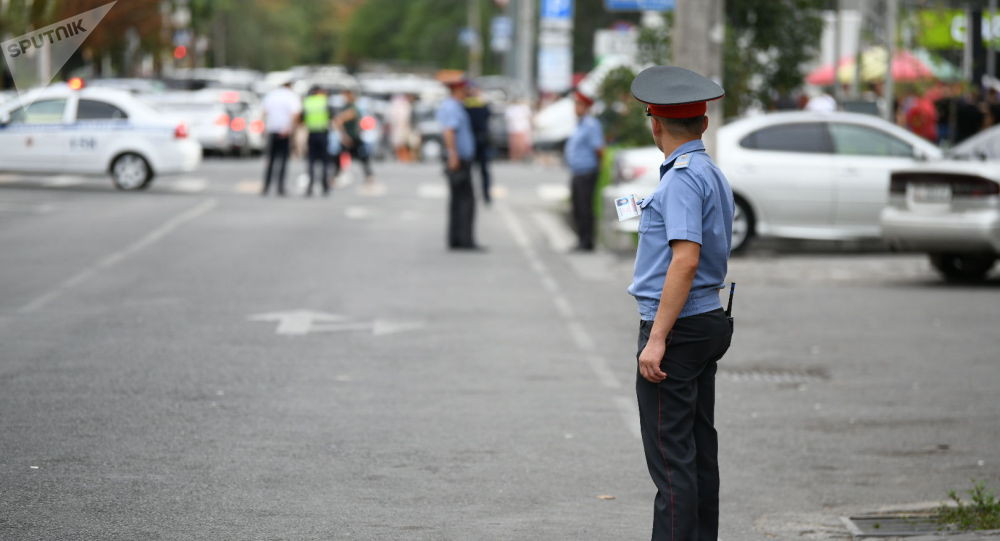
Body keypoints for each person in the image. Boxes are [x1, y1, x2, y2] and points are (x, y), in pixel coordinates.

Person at [628, 65, 735, 541]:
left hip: (680, 328)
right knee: (695, 450)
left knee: (671, 462)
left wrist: (656, 340)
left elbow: (685, 261)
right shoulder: (708, 171)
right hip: (705, 319)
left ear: (655, 123)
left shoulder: (683, 180)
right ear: (703, 123)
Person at [437, 77, 480, 250]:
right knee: (465, 200)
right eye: (464, 90)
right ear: (457, 90)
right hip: (459, 159)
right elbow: (449, 132)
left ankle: (457, 238)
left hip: (460, 158)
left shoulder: (454, 106)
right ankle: (464, 239)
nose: (467, 93)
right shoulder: (452, 106)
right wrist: (453, 155)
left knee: (458, 199)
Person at [564, 88, 604, 252]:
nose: (575, 107)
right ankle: (581, 238)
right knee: (577, 207)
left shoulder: (591, 124)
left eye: (578, 104)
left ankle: (587, 241)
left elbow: (599, 149)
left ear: (585, 106)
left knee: (585, 207)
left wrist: (596, 168)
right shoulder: (579, 124)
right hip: (577, 171)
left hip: (587, 172)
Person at [261, 78, 301, 196]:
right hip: (284, 131)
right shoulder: (291, 96)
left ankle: (266, 186)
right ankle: (280, 187)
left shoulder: (271, 95)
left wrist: (265, 128)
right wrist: (291, 129)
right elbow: (295, 114)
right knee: (283, 161)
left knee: (271, 160)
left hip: (272, 130)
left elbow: (264, 112)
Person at [332, 88, 375, 188]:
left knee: (362, 157)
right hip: (349, 137)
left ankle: (368, 175)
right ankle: (335, 176)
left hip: (354, 136)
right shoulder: (349, 107)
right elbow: (339, 120)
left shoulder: (354, 107)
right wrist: (344, 135)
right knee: (340, 157)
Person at [464, 82, 494, 205]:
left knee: (476, 170)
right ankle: (485, 195)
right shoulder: (481, 104)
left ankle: (481, 194)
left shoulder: (467, 104)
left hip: (476, 140)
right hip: (479, 140)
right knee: (482, 171)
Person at [302, 86, 334, 196]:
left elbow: (303, 118)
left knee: (311, 161)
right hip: (323, 133)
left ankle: (310, 186)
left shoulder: (307, 102)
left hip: (311, 133)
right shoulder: (324, 101)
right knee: (325, 161)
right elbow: (331, 117)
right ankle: (325, 186)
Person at [388, 93, 414, 162]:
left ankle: (405, 157)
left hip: (403, 127)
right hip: (400, 127)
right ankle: (401, 157)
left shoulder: (405, 105)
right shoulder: (402, 105)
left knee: (404, 143)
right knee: (400, 143)